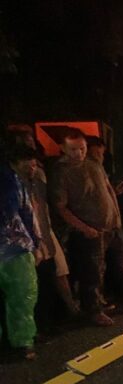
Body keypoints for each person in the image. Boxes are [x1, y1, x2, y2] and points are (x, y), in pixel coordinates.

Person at [50, 128, 123, 326]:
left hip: (112, 225)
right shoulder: (61, 172)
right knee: (92, 271)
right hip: (90, 229)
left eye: (82, 148)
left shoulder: (93, 163)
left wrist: (116, 217)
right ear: (63, 148)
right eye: (73, 149)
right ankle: (93, 310)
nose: (79, 153)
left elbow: (108, 189)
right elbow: (60, 207)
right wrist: (84, 228)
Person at [8, 127, 78, 324]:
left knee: (54, 272)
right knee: (31, 281)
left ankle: (60, 314)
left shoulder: (37, 172)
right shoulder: (11, 182)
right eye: (24, 140)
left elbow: (43, 206)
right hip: (24, 237)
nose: (29, 143)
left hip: (42, 230)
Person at [1, 145, 39, 359]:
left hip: (15, 247)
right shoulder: (12, 181)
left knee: (22, 296)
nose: (31, 168)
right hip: (16, 248)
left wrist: (34, 242)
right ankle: (21, 343)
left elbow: (25, 213)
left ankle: (20, 342)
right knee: (21, 296)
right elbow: (24, 214)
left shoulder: (15, 181)